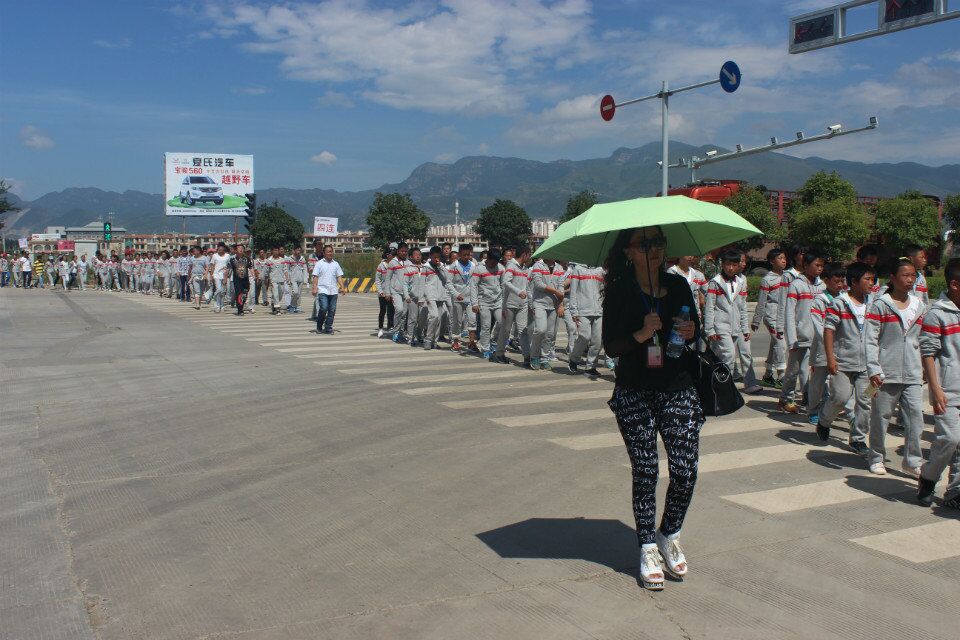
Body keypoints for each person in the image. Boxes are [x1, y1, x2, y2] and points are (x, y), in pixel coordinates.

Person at [602, 225, 701, 591]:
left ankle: (669, 534)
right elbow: (611, 346)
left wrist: (691, 333)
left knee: (685, 471)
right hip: (635, 391)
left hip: (678, 388)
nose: (654, 249)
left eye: (658, 242)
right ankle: (646, 546)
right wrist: (642, 334)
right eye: (644, 243)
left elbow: (696, 331)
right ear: (628, 251)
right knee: (646, 470)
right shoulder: (619, 291)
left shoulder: (679, 286)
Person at [865, 258, 925, 477]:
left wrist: (925, 366)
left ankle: (912, 461)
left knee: (915, 418)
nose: (910, 280)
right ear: (892, 278)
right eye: (905, 275)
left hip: (913, 373)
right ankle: (876, 457)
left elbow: (923, 339)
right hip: (885, 373)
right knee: (881, 418)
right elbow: (870, 339)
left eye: (913, 275)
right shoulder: (881, 304)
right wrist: (873, 368)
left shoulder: (919, 305)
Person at [917, 258, 960, 510]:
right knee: (950, 439)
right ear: (954, 284)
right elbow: (928, 353)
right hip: (947, 389)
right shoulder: (937, 313)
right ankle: (929, 476)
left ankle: (955, 491)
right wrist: (935, 389)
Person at [704, 249, 762, 394]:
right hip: (720, 325)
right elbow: (709, 307)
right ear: (722, 264)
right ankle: (725, 388)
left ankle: (718, 385)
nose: (730, 268)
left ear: (738, 266)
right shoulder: (715, 282)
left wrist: (745, 328)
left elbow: (742, 307)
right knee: (729, 355)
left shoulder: (740, 282)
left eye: (734, 265)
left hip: (736, 326)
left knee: (724, 357)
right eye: (727, 264)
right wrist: (709, 329)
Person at [778, 251, 825, 413]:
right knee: (794, 370)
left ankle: (808, 396)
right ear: (805, 266)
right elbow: (789, 313)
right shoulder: (796, 285)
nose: (820, 268)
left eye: (822, 266)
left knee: (812, 370)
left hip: (818, 336)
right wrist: (792, 338)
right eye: (816, 265)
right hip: (800, 336)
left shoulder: (822, 286)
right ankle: (785, 399)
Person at [807, 262, 846, 427]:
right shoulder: (819, 301)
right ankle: (813, 410)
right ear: (826, 280)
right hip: (822, 350)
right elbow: (819, 327)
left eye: (842, 281)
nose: (840, 285)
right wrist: (830, 343)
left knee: (839, 382)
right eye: (836, 281)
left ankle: (833, 408)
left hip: (841, 349)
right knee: (818, 383)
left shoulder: (845, 299)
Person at [752, 248, 787, 387]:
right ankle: (782, 375)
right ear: (772, 261)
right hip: (771, 316)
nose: (783, 260)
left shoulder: (788, 277)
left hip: (783, 317)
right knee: (781, 344)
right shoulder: (767, 280)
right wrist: (756, 320)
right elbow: (761, 301)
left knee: (775, 344)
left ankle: (767, 375)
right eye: (780, 258)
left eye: (784, 258)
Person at [495, 245, 531, 365]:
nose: (530, 258)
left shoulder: (525, 268)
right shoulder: (511, 266)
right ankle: (499, 354)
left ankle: (527, 356)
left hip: (523, 304)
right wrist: (518, 292)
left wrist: (529, 301)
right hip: (509, 304)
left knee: (523, 330)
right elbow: (506, 282)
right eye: (529, 255)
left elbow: (527, 286)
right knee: (506, 330)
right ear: (524, 254)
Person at [567, 261, 604, 376]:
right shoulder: (578, 269)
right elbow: (573, 291)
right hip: (583, 310)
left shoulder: (600, 270)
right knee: (584, 336)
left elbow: (603, 289)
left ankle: (590, 367)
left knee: (597, 340)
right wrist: (574, 310)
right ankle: (574, 359)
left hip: (599, 310)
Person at [529, 255, 564, 370]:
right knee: (540, 329)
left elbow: (561, 286)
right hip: (539, 303)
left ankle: (544, 358)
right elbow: (538, 284)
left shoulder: (559, 268)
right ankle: (534, 356)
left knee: (549, 334)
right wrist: (555, 291)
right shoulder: (538, 265)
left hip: (553, 304)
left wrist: (560, 304)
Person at [470, 247, 504, 359]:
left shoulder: (500, 268)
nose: (494, 264)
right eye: (492, 262)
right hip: (484, 302)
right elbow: (473, 286)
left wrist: (504, 301)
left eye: (496, 262)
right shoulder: (479, 269)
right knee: (486, 326)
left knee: (502, 323)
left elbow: (503, 285)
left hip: (498, 301)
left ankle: (494, 342)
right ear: (488, 259)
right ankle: (485, 349)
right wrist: (474, 303)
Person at [445, 243, 476, 352]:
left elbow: (475, 282)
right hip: (458, 297)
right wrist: (456, 294)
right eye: (464, 255)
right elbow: (449, 283)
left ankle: (472, 343)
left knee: (472, 320)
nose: (466, 257)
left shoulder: (473, 265)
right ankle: (455, 341)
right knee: (457, 320)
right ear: (459, 254)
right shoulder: (454, 266)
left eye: (468, 254)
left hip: (471, 297)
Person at [311, 244, 346, 334]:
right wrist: (314, 288)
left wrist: (342, 287)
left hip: (333, 291)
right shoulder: (319, 263)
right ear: (324, 253)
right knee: (323, 308)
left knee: (332, 310)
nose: (330, 253)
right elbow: (315, 276)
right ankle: (319, 326)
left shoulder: (336, 264)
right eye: (328, 252)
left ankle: (328, 327)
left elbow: (339, 276)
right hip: (322, 290)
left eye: (331, 251)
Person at [422, 246, 448, 350]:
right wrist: (421, 297)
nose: (436, 259)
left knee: (438, 320)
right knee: (434, 316)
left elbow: (448, 278)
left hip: (440, 295)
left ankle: (434, 342)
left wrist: (440, 266)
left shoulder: (442, 266)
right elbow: (421, 283)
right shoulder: (426, 267)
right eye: (434, 257)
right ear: (430, 256)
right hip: (430, 295)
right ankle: (428, 340)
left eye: (438, 257)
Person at [404, 248, 428, 346]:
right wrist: (406, 296)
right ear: (411, 257)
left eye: (419, 254)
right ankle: (410, 337)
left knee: (423, 319)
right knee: (412, 318)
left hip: (424, 298)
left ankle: (419, 335)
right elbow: (405, 284)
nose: (418, 256)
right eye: (415, 254)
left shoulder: (426, 268)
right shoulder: (408, 268)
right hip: (412, 298)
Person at [227, 244, 252, 315]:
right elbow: (228, 269)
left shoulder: (247, 259)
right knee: (239, 294)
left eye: (242, 248)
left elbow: (251, 268)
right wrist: (225, 278)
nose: (241, 249)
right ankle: (240, 310)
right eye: (239, 248)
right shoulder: (232, 259)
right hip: (237, 279)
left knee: (245, 293)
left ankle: (241, 306)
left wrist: (254, 276)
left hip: (246, 279)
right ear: (236, 250)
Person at [374, 249, 395, 338]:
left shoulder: (395, 265)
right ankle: (380, 328)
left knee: (392, 310)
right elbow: (377, 280)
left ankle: (391, 327)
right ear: (387, 255)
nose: (394, 257)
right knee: (383, 311)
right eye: (392, 255)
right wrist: (380, 291)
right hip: (382, 293)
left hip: (392, 292)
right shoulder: (381, 266)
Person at [266, 247, 289, 315]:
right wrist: (266, 279)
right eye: (274, 250)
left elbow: (285, 269)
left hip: (281, 279)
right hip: (273, 280)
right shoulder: (269, 260)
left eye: (277, 250)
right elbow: (267, 271)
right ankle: (277, 309)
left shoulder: (282, 260)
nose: (276, 252)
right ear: (272, 251)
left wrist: (287, 277)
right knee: (275, 294)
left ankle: (273, 303)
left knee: (280, 294)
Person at [287, 246, 308, 313]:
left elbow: (305, 269)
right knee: (295, 292)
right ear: (294, 250)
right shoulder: (289, 259)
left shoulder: (302, 258)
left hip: (300, 278)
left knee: (298, 294)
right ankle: (292, 305)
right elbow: (287, 269)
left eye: (299, 250)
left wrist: (305, 279)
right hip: (293, 278)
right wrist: (288, 279)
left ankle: (297, 307)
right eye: (297, 250)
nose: (298, 252)